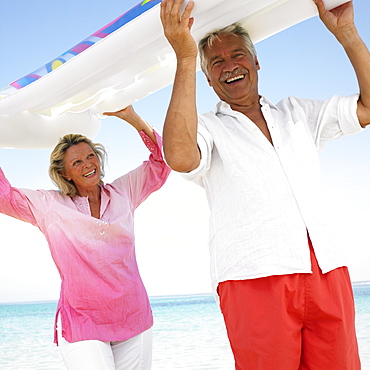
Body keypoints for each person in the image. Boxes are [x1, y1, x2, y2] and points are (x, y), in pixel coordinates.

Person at [160, 0, 370, 368]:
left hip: (327, 269)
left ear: (256, 62)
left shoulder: (297, 113)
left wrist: (347, 34)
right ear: (207, 78)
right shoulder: (208, 128)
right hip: (253, 276)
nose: (230, 67)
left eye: (238, 55)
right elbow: (179, 156)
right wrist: (186, 57)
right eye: (217, 63)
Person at [0, 105, 171, 370]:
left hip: (133, 315)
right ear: (65, 173)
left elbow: (164, 162)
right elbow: (4, 196)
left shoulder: (124, 192)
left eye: (91, 156)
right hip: (82, 321)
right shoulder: (49, 205)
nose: (88, 164)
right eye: (77, 162)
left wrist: (131, 117)